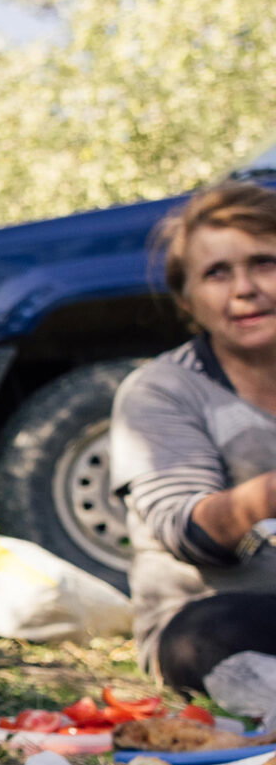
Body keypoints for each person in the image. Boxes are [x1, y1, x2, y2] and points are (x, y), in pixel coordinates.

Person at [110, 180, 276, 691]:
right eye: (216, 273)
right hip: (210, 619)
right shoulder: (161, 391)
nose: (244, 288)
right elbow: (188, 533)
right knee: (210, 631)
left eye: (264, 263)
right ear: (187, 301)